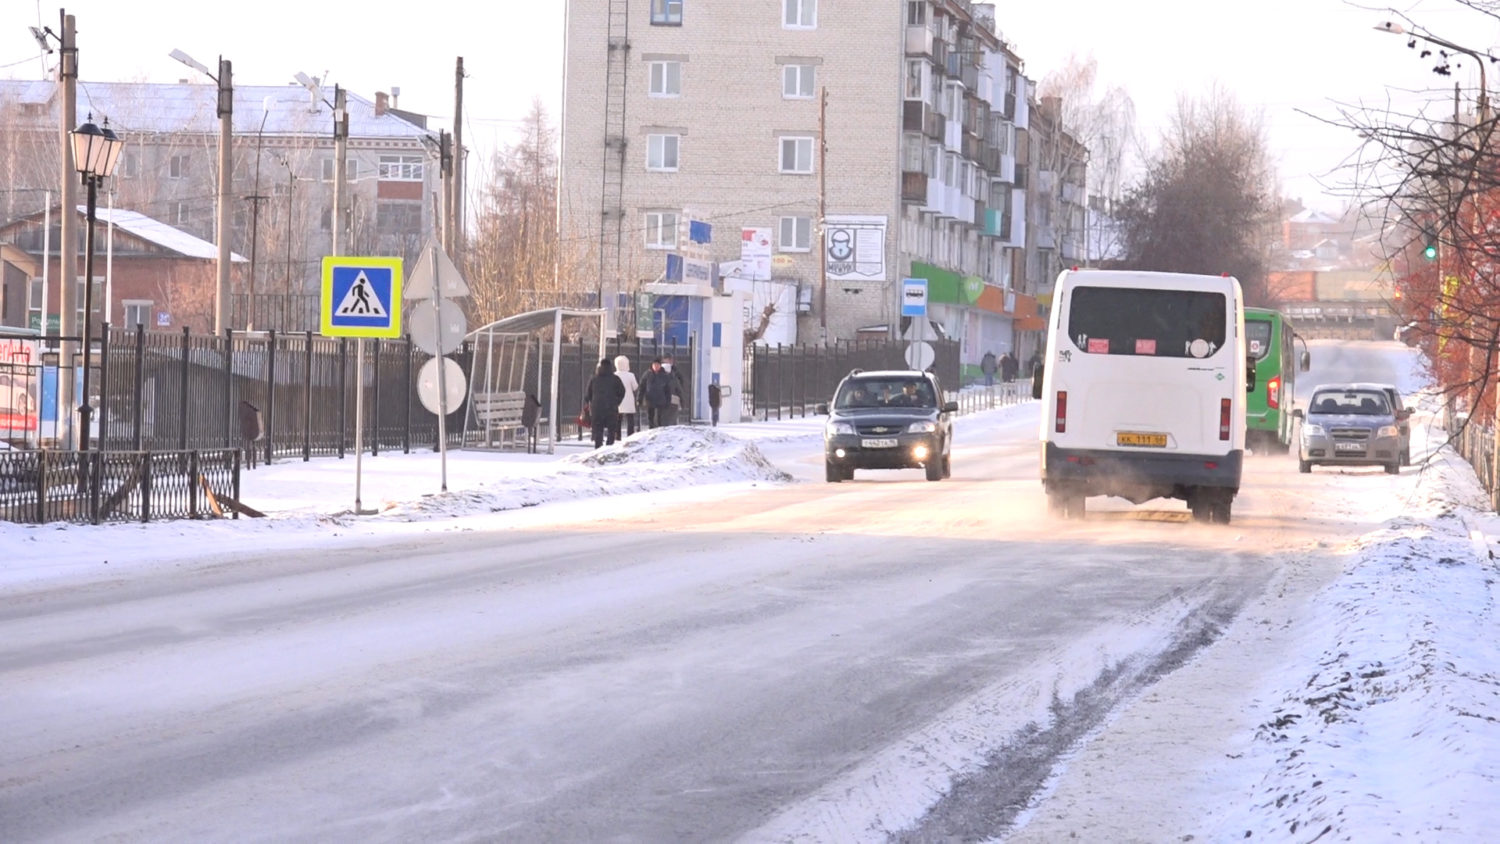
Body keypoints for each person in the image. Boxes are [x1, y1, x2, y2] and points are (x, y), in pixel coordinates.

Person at [583, 358, 626, 449]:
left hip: (597, 408)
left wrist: (591, 402)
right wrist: (617, 402)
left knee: (598, 428)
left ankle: (598, 447)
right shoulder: (615, 379)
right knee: (611, 429)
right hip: (611, 408)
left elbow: (588, 393)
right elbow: (622, 392)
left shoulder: (594, 378)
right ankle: (609, 446)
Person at [639, 358, 673, 428]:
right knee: (650, 416)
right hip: (650, 399)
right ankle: (651, 429)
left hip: (661, 399)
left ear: (660, 366)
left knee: (659, 417)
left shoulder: (664, 375)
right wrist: (639, 398)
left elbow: (668, 390)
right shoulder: (647, 374)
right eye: (654, 365)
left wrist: (668, 401)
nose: (655, 366)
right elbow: (642, 387)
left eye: (657, 365)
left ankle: (659, 430)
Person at [612, 355, 640, 440]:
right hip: (629, 399)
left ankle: (617, 436)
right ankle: (630, 435)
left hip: (618, 399)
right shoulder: (630, 375)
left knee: (618, 419)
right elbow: (635, 387)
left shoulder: (614, 375)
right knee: (630, 418)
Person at [661, 353, 688, 424]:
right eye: (664, 362)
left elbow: (680, 386)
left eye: (667, 361)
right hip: (665, 399)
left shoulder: (675, 373)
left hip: (673, 398)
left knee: (671, 419)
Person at [237, 399, 263, 469]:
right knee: (250, 446)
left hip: (253, 432)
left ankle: (251, 465)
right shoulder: (250, 412)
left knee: (251, 446)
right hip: (252, 432)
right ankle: (250, 465)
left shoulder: (251, 412)